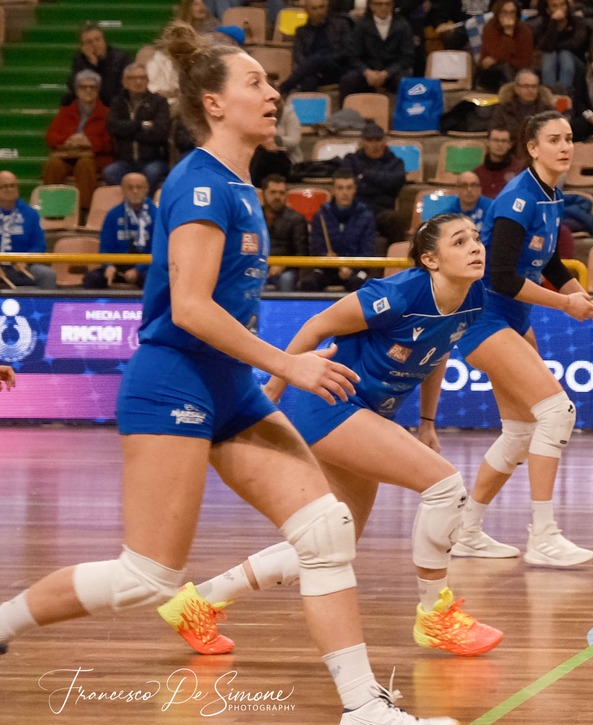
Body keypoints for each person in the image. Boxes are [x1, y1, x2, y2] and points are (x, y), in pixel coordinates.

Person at [0, 22, 464, 725]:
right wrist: (290, 364)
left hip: (229, 387)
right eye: (255, 82)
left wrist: (264, 371)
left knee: (326, 528)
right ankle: (5, 622)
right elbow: (188, 306)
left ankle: (364, 713)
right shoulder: (198, 181)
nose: (272, 91)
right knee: (148, 577)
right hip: (173, 381)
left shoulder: (241, 185)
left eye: (269, 81)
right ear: (214, 102)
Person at [167, 215, 504, 658]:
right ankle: (435, 616)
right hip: (331, 406)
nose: (475, 247)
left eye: (476, 239)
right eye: (460, 242)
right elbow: (316, 326)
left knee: (329, 546)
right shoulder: (397, 293)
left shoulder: (473, 297)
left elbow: (437, 352)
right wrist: (273, 387)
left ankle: (197, 603)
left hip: (365, 413)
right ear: (431, 260)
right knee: (445, 486)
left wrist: (427, 421)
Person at [451, 113, 593, 566]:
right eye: (554, 139)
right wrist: (565, 305)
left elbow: (549, 263)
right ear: (532, 147)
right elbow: (503, 277)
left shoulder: (550, 195)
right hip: (486, 319)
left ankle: (466, 532)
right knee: (557, 411)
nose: (565, 146)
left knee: (521, 431)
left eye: (569, 138)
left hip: (511, 318)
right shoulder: (517, 199)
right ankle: (543, 536)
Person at [43, 68, 112, 204]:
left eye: (92, 87)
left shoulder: (107, 114)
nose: (88, 91)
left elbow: (110, 143)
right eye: (83, 87)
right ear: (76, 90)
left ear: (98, 91)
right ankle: (52, 208)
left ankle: (85, 211)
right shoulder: (66, 111)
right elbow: (51, 136)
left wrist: (89, 142)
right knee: (53, 164)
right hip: (67, 155)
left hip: (95, 157)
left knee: (84, 165)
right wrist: (68, 140)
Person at [104, 62, 172, 187]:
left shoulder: (159, 102)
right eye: (133, 78)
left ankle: (145, 204)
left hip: (153, 160)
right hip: (125, 161)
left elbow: (160, 132)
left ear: (147, 81)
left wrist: (127, 132)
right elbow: (113, 127)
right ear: (125, 81)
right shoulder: (118, 102)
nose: (138, 82)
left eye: (142, 78)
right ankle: (127, 203)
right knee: (110, 172)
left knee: (152, 173)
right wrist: (141, 125)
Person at [339, 0, 413, 97]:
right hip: (368, 70)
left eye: (387, 4)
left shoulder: (403, 25)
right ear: (372, 6)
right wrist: (366, 72)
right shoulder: (361, 25)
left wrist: (387, 73)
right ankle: (345, 113)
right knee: (347, 81)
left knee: (405, 83)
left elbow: (407, 57)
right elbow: (353, 56)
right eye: (379, 4)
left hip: (393, 71)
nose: (384, 7)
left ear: (392, 6)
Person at [85, 171, 154, 290]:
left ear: (147, 189)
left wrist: (138, 270)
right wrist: (109, 266)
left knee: (156, 279)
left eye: (139, 187)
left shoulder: (156, 215)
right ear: (122, 190)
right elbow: (105, 247)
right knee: (93, 278)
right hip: (117, 266)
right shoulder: (113, 214)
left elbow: (158, 250)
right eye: (130, 187)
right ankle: (97, 308)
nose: (135, 191)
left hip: (146, 267)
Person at [260, 173, 310, 292]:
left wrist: (282, 265)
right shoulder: (253, 217)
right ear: (263, 195)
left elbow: (302, 254)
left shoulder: (296, 219)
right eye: (273, 192)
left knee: (286, 279)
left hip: (287, 269)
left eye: (281, 193)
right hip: (258, 266)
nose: (277, 197)